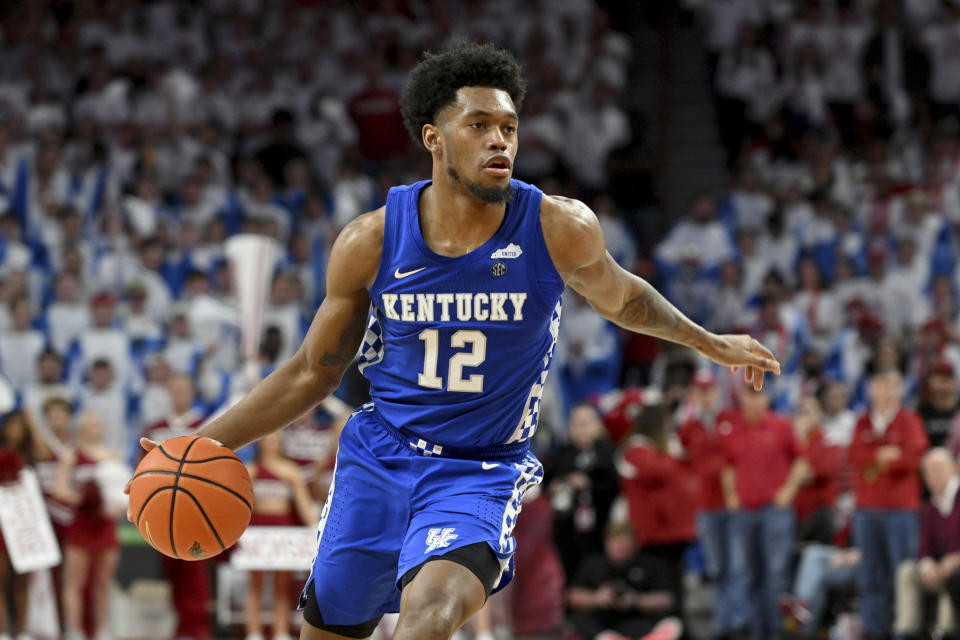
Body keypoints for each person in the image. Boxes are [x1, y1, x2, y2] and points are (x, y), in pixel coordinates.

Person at [130, 42, 781, 640]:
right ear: (434, 139)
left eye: (509, 127)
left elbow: (625, 296)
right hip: (380, 457)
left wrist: (707, 341)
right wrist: (204, 443)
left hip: (480, 469)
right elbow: (311, 372)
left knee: (430, 618)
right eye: (480, 126)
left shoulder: (557, 227)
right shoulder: (372, 240)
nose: (500, 140)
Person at [722, 385, 808, 640]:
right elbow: (728, 466)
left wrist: (789, 491)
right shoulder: (733, 429)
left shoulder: (781, 426)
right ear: (742, 401)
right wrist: (730, 495)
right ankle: (753, 632)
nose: (754, 401)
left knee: (776, 574)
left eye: (758, 395)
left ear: (767, 399)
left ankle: (777, 632)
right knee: (747, 575)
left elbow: (802, 461)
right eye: (749, 396)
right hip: (745, 511)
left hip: (774, 510)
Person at [849, 367, 928, 640]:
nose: (887, 391)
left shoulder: (910, 420)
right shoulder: (862, 422)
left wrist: (881, 459)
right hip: (867, 510)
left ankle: (905, 629)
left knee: (903, 575)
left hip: (901, 511)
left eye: (893, 385)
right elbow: (855, 456)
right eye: (881, 386)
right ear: (870, 390)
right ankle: (874, 630)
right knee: (870, 576)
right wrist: (887, 455)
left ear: (902, 390)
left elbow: (914, 458)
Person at [52, 411, 121, 640]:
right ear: (82, 428)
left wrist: (111, 504)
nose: (96, 428)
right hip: (81, 523)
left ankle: (102, 630)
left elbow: (122, 490)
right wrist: (81, 500)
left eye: (98, 424)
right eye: (91, 424)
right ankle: (75, 630)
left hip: (105, 523)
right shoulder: (73, 456)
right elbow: (58, 489)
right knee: (75, 582)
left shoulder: (112, 456)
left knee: (102, 582)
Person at [245, 432, 318, 640]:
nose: (272, 442)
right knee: (255, 583)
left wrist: (315, 526)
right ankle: (253, 632)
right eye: (268, 438)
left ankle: (280, 632)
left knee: (282, 584)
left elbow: (302, 503)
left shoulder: (290, 470)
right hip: (258, 530)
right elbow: (242, 506)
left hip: (283, 531)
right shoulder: (251, 470)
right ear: (260, 441)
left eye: (276, 438)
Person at [566, 521, 683, 640]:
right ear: (606, 543)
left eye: (625, 543)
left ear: (635, 544)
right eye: (616, 543)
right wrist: (597, 598)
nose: (620, 548)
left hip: (637, 621)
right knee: (577, 621)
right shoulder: (593, 564)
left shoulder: (650, 564)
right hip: (602, 624)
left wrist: (637, 600)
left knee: (672, 622)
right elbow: (572, 596)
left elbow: (668, 600)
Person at [545, 403, 619, 581]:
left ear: (597, 425)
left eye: (586, 423)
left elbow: (616, 484)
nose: (581, 429)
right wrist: (554, 486)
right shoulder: (562, 453)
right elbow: (545, 479)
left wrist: (589, 484)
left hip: (600, 524)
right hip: (567, 527)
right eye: (576, 424)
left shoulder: (608, 452)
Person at [894, 448, 960, 639]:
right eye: (928, 471)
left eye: (938, 468)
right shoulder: (930, 507)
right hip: (939, 567)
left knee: (953, 577)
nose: (933, 475)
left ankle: (945, 631)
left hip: (955, 568)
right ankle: (906, 631)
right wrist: (927, 566)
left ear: (954, 469)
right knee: (906, 571)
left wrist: (955, 560)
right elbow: (923, 548)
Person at [0, 410, 49, 640]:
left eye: (21, 426)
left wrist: (33, 423)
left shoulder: (30, 455)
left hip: (25, 526)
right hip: (2, 525)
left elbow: (45, 452)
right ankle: (3, 632)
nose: (16, 430)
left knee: (22, 583)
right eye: (12, 425)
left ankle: (22, 632)